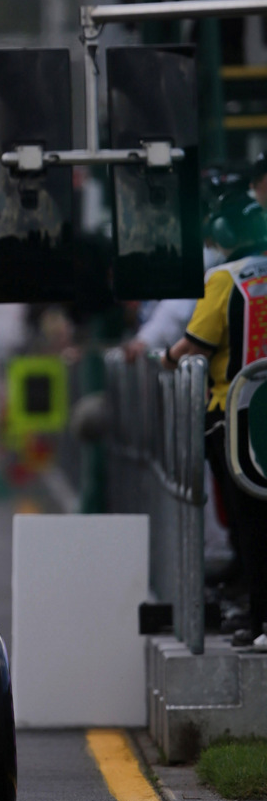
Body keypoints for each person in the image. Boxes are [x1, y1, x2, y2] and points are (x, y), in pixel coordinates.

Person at [163, 197, 267, 649]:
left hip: (236, 421)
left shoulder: (224, 279)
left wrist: (166, 359)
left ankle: (261, 617)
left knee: (249, 523)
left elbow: (196, 345)